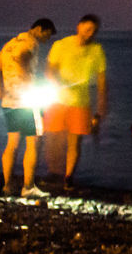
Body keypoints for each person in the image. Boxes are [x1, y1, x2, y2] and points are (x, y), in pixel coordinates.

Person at [0, 18, 57, 197]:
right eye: (47, 35)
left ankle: (7, 186)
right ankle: (28, 187)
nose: (47, 40)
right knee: (33, 141)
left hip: (9, 100)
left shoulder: (10, 44)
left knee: (12, 143)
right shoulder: (31, 42)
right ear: (39, 29)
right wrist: (30, 86)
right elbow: (22, 59)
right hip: (27, 101)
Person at [44, 13, 108, 189]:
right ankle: (53, 172)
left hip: (81, 102)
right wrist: (57, 85)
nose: (89, 34)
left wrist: (100, 108)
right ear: (78, 26)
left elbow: (101, 79)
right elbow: (50, 70)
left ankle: (68, 176)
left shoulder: (96, 50)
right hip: (58, 100)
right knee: (53, 137)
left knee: (74, 141)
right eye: (87, 29)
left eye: (93, 31)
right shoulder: (61, 45)